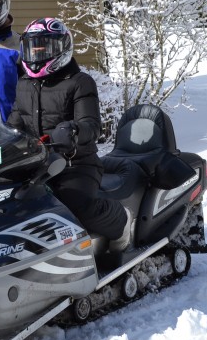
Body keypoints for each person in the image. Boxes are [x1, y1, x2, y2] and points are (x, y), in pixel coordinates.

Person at [7, 18, 127, 241]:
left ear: (62, 47)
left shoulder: (79, 81)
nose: (38, 54)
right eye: (33, 48)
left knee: (75, 206)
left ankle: (121, 219)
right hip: (36, 165)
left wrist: (73, 131)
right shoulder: (22, 84)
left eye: (45, 47)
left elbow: (91, 125)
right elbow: (14, 124)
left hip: (75, 163)